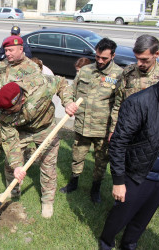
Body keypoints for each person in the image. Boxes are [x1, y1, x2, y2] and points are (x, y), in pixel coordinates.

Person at [0, 76, 77, 218]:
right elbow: (9, 140)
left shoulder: (40, 85)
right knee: (10, 163)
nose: (7, 114)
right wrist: (17, 165)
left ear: (21, 100)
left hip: (46, 128)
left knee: (48, 165)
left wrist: (68, 102)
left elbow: (61, 83)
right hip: (22, 130)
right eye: (6, 111)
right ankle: (13, 190)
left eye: (11, 111)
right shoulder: (4, 112)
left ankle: (47, 201)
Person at [99, 72, 159, 250]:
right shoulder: (139, 102)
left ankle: (129, 244)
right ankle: (106, 242)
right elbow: (118, 143)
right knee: (121, 216)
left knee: (142, 219)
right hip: (137, 174)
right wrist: (118, 181)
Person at [59, 38, 123, 204]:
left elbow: (120, 104)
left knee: (101, 161)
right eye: (98, 57)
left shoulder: (119, 75)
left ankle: (96, 189)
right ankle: (73, 182)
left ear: (113, 56)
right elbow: (70, 91)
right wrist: (68, 103)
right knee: (77, 156)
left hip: (102, 128)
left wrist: (114, 129)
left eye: (104, 58)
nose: (100, 61)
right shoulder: (85, 70)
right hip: (82, 125)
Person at [0, 35, 41, 176]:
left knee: (16, 145)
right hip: (3, 111)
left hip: (20, 115)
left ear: (21, 49)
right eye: (6, 50)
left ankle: (20, 167)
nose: (7, 54)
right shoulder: (3, 65)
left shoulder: (32, 68)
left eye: (11, 50)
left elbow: (34, 96)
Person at [109, 35, 159, 141]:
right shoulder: (128, 73)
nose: (139, 63)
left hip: (154, 134)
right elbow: (118, 103)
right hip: (129, 131)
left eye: (144, 59)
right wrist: (113, 130)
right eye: (137, 58)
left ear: (156, 54)